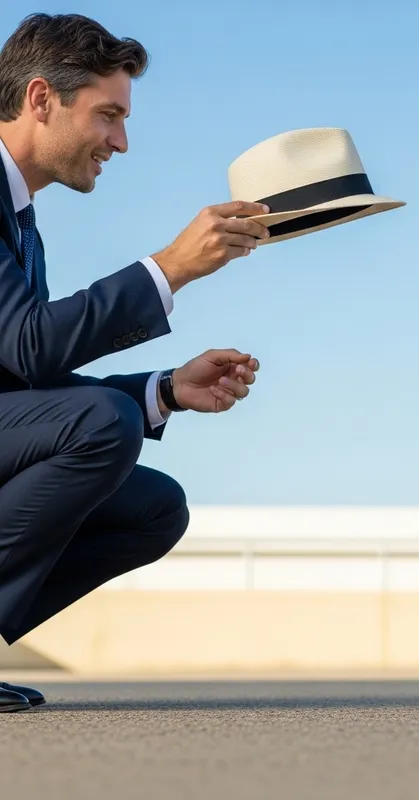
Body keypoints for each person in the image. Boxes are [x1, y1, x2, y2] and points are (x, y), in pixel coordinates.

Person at [0, 13, 271, 712]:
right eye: (108, 115)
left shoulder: (20, 219)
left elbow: (23, 375)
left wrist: (166, 391)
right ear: (40, 100)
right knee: (103, 424)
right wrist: (173, 267)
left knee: (154, 507)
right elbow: (31, 343)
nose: (121, 141)